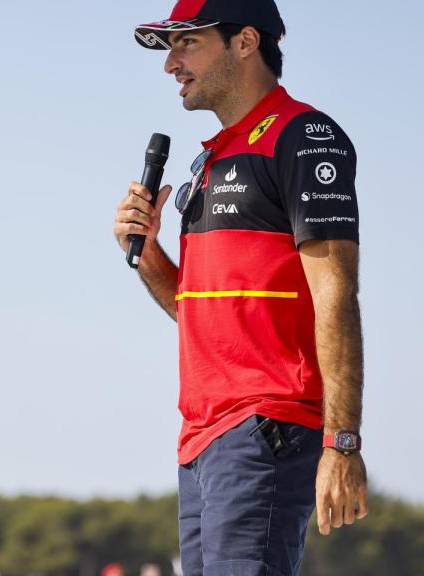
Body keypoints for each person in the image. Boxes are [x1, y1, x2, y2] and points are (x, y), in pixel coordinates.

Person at [114, 1, 367, 574]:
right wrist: (148, 253)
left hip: (264, 425)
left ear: (245, 42)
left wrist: (342, 441)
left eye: (188, 43)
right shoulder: (211, 158)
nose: (170, 64)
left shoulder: (305, 136)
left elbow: (336, 292)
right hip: (201, 436)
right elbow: (201, 314)